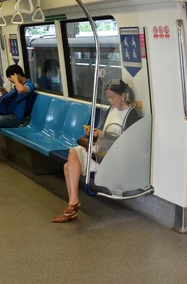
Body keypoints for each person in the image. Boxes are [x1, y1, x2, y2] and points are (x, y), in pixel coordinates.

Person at [52, 80, 140, 223]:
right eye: (109, 97)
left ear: (123, 95)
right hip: (102, 149)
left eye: (113, 97)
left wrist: (103, 135)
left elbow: (128, 142)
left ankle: (73, 202)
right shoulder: (111, 110)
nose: (110, 101)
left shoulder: (131, 114)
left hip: (115, 155)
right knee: (68, 162)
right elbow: (103, 133)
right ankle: (73, 201)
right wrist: (94, 133)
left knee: (70, 160)